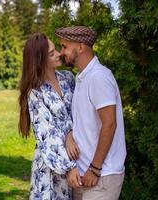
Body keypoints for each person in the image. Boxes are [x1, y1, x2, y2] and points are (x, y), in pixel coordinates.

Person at [55, 26, 127, 200]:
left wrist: (95, 168)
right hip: (83, 175)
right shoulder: (82, 78)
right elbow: (84, 122)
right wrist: (70, 135)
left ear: (81, 47)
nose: (61, 52)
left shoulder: (98, 77)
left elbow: (109, 124)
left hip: (101, 175)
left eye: (65, 47)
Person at [18, 32, 80, 199]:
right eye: (52, 53)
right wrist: (70, 167)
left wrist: (70, 134)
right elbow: (48, 135)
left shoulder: (68, 78)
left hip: (77, 157)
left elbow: (81, 115)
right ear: (40, 61)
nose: (59, 54)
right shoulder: (35, 93)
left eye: (56, 50)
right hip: (52, 165)